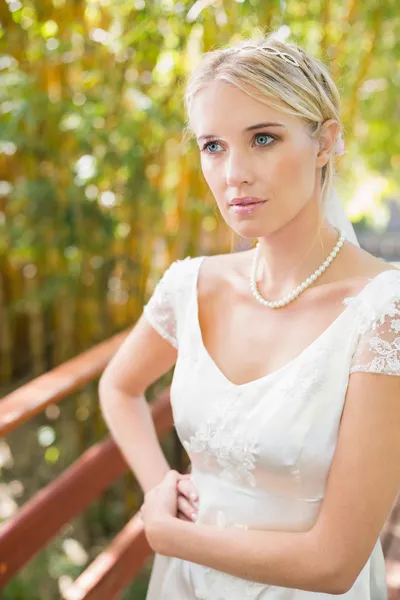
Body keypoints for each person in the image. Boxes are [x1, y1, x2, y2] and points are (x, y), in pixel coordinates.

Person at [99, 35, 400, 599]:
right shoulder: (191, 285)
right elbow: (119, 386)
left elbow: (334, 564)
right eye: (213, 145)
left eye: (263, 138)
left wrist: (168, 534)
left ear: (325, 142)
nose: (234, 172)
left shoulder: (386, 313)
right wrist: (159, 482)